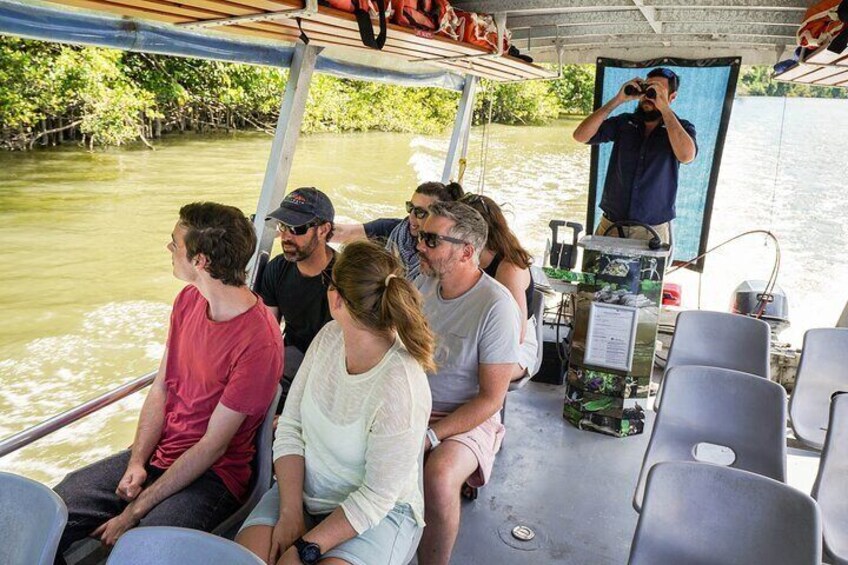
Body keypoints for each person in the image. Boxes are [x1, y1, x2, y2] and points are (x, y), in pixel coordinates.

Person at [53, 203, 283, 562]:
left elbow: (212, 447)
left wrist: (133, 512)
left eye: (175, 243)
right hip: (160, 451)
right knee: (59, 504)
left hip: (214, 476)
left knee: (144, 551)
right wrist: (137, 461)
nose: (169, 249)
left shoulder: (259, 343)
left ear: (200, 260)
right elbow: (161, 387)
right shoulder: (188, 300)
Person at [236, 240, 435, 565]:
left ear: (336, 297)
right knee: (242, 560)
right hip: (301, 492)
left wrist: (305, 547)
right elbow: (290, 427)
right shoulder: (328, 338)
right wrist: (290, 513)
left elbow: (377, 496)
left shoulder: (401, 384)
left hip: (377, 515)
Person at [413, 202, 522, 565]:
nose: (419, 246)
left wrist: (432, 435)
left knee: (439, 476)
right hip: (413, 403)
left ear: (466, 251)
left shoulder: (496, 306)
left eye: (430, 240)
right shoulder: (421, 285)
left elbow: (491, 399)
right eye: (420, 236)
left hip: (466, 417)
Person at [572, 67, 698, 244]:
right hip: (611, 225)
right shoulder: (624, 122)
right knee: (596, 272)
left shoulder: (681, 128)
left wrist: (663, 108)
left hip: (652, 230)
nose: (649, 96)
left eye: (657, 91)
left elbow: (686, 156)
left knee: (647, 273)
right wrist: (618, 100)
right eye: (648, 89)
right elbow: (580, 136)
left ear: (672, 97)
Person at [257, 187, 335, 407]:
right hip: (289, 363)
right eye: (283, 226)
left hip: (329, 370)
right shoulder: (276, 269)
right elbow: (268, 335)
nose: (286, 236)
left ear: (323, 229)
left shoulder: (345, 278)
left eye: (297, 228)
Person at [459, 193, 537, 379]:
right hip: (474, 330)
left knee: (461, 366)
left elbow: (515, 334)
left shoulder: (510, 268)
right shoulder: (464, 257)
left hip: (514, 346)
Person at [333, 181, 464, 280]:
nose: (411, 216)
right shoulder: (392, 229)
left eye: (420, 212)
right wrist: (319, 228)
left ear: (439, 216)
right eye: (410, 207)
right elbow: (345, 233)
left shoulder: (445, 255)